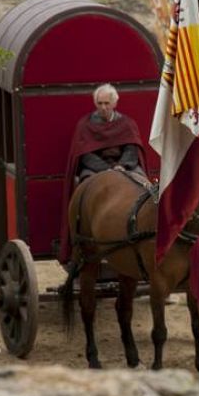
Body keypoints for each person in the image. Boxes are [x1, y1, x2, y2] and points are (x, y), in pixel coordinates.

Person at [58, 84, 147, 264]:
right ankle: (84, 236)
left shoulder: (127, 124)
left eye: (107, 103)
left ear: (114, 103)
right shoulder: (85, 125)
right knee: (85, 190)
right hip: (95, 168)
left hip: (125, 167)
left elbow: (131, 148)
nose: (103, 107)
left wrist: (121, 166)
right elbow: (85, 154)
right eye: (100, 103)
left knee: (145, 186)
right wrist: (106, 170)